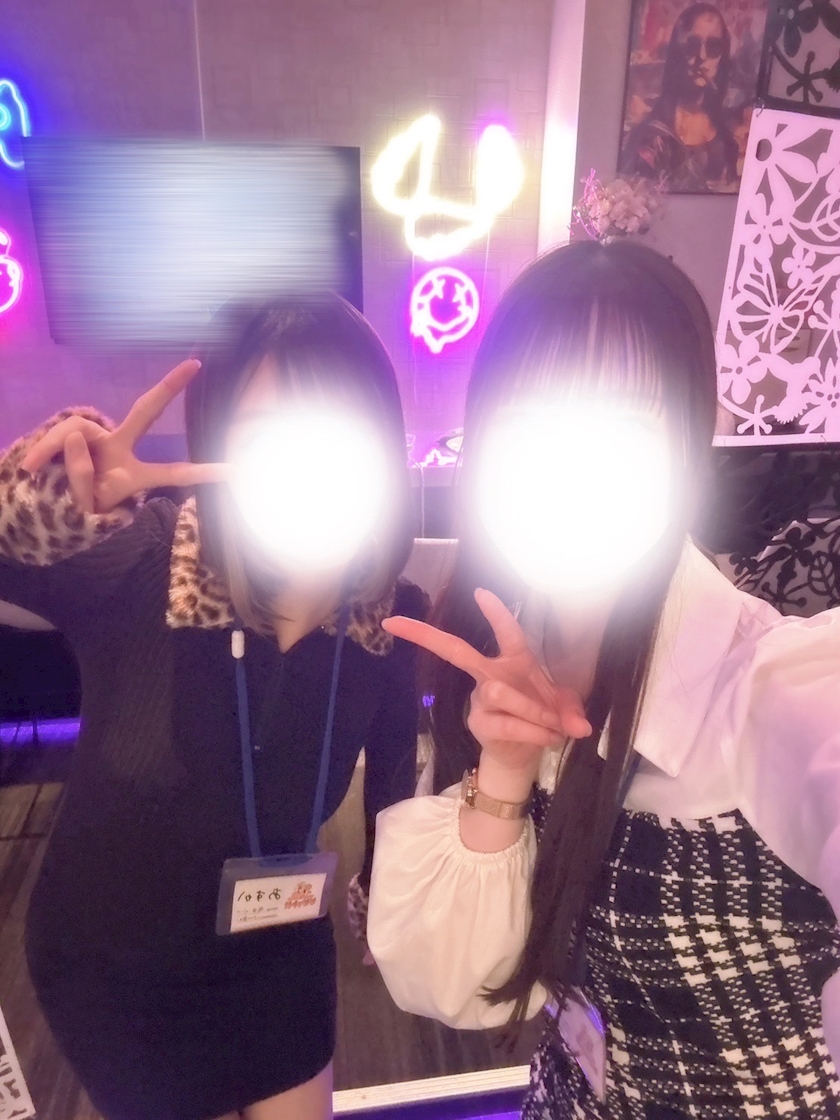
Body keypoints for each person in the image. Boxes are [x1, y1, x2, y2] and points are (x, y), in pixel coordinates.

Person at [368, 241, 840, 1118]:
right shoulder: (501, 652)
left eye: (624, 430)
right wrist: (504, 770)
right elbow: (459, 986)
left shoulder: (771, 685)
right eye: (532, 426)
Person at [0, 294, 425, 1120]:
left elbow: (394, 772)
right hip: (116, 969)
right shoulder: (145, 561)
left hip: (278, 953)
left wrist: (388, 889)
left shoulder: (386, 616)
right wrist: (48, 499)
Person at [620, 3, 739, 192]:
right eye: (692, 45)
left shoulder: (727, 143)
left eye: (713, 46)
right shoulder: (648, 136)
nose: (701, 56)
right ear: (677, 51)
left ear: (722, 55)